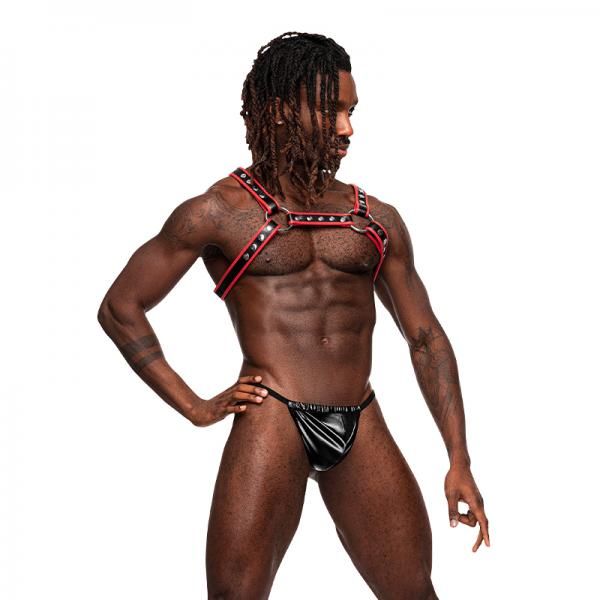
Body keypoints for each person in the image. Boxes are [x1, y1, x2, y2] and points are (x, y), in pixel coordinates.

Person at [97, 31, 490, 600]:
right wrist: (194, 406)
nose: (347, 128)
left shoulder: (373, 218)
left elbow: (425, 337)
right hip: (273, 416)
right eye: (332, 111)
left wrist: (459, 459)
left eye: (351, 112)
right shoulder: (218, 212)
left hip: (360, 416)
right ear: (282, 110)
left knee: (413, 592)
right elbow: (120, 307)